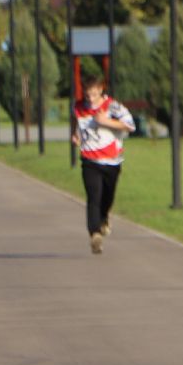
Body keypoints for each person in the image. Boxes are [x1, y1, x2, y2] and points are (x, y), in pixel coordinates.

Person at [72, 75, 135, 254]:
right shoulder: (78, 107)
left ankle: (104, 217)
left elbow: (130, 125)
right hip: (89, 160)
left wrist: (105, 122)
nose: (90, 99)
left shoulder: (112, 106)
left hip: (111, 161)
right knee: (93, 197)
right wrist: (75, 135)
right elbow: (76, 121)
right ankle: (95, 234)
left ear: (100, 89)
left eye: (93, 94)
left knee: (107, 198)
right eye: (87, 95)